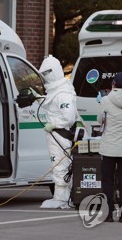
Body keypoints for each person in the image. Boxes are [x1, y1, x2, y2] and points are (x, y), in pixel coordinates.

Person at [97, 72, 122, 222]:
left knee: (107, 181)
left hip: (109, 147)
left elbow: (99, 119)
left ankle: (108, 214)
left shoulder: (106, 100)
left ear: (113, 83)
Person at [39, 55, 77, 209]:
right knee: (60, 164)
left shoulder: (62, 93)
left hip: (60, 135)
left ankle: (61, 198)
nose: (46, 78)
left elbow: (68, 117)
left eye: (48, 73)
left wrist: (53, 124)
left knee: (60, 165)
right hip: (57, 135)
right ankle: (62, 196)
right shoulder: (58, 91)